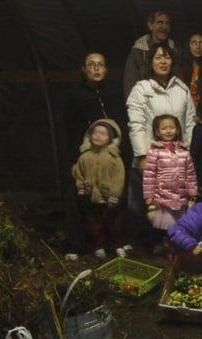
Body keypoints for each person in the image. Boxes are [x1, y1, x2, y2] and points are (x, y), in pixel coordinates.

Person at [57, 52, 129, 260]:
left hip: (109, 157)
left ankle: (114, 243)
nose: (96, 68)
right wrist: (73, 159)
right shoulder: (73, 95)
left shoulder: (113, 93)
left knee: (112, 199)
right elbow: (67, 129)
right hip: (84, 157)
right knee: (81, 199)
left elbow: (122, 124)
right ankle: (76, 244)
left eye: (100, 65)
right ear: (84, 69)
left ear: (106, 69)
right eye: (91, 65)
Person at [126, 42, 195, 247]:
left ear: (172, 61)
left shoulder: (182, 89)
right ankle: (145, 249)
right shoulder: (141, 89)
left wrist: (188, 152)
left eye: (167, 57)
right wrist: (141, 155)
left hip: (177, 160)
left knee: (174, 208)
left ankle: (173, 247)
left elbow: (190, 123)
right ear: (151, 62)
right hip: (151, 159)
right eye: (158, 57)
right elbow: (136, 124)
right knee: (147, 207)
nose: (163, 61)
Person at [74, 119, 127, 259]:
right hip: (92, 197)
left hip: (109, 198)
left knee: (113, 223)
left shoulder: (113, 158)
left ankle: (118, 245)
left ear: (110, 138)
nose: (98, 136)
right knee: (95, 225)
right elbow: (79, 173)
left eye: (103, 134)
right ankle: (99, 246)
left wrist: (115, 195)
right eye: (95, 133)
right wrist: (81, 188)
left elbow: (118, 178)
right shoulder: (84, 156)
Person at [143, 114, 198, 234]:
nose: (168, 131)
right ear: (157, 132)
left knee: (181, 229)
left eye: (171, 127)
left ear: (177, 129)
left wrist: (192, 194)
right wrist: (149, 197)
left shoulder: (184, 152)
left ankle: (177, 250)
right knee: (166, 231)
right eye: (164, 128)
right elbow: (149, 177)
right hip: (162, 200)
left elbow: (191, 176)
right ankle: (166, 248)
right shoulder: (154, 152)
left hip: (181, 200)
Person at [123, 8, 177, 98]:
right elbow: (130, 87)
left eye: (167, 23)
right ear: (150, 25)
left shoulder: (174, 51)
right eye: (160, 22)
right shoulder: (138, 52)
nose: (164, 27)